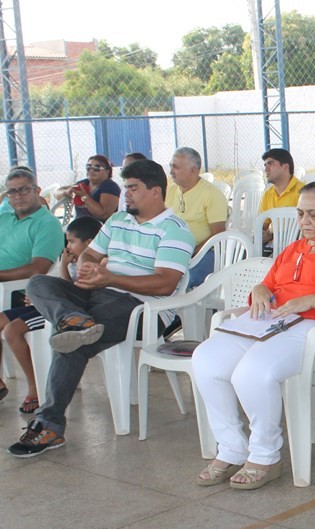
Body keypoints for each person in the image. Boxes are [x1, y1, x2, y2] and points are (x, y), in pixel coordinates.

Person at [192, 182, 315, 490]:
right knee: (206, 359)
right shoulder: (295, 249)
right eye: (300, 214)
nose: (304, 222)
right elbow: (269, 286)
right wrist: (260, 289)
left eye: (313, 215)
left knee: (253, 371)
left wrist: (314, 300)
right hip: (274, 323)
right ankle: (231, 448)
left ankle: (265, 455)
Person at [8, 160, 195, 457]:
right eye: (125, 188)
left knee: (72, 343)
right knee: (39, 284)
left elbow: (166, 284)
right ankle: (74, 319)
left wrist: (110, 277)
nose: (126, 195)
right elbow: (90, 255)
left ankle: (49, 425)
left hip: (141, 310)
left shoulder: (176, 231)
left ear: (156, 191)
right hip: (99, 294)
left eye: (133, 188)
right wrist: (87, 271)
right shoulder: (118, 219)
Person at [0, 216, 101, 415]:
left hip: (61, 312)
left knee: (12, 331)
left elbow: (73, 294)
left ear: (89, 243)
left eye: (71, 241)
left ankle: (35, 388)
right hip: (44, 304)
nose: (68, 247)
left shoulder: (91, 265)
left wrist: (63, 266)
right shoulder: (74, 260)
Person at [165, 147, 228, 287]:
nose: (170, 171)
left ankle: (168, 308)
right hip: (172, 252)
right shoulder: (169, 192)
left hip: (204, 254)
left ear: (193, 170)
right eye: (170, 166)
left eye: (175, 167)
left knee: (178, 281)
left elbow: (217, 235)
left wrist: (190, 252)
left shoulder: (212, 194)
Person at [0, 168, 64, 285]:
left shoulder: (48, 224)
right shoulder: (4, 218)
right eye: (12, 192)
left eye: (24, 190)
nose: (18, 196)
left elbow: (37, 270)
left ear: (37, 191)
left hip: (12, 291)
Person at [258, 148, 305, 250]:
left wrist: (272, 236)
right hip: (274, 246)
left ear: (285, 166)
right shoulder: (268, 194)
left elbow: (307, 228)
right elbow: (262, 226)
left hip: (298, 247)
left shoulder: (304, 192)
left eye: (270, 164)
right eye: (265, 165)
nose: (266, 169)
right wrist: (263, 234)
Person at [56, 155, 120, 222]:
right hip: (79, 225)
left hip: (99, 228)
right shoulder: (84, 183)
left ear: (107, 171)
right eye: (88, 167)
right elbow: (57, 193)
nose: (91, 171)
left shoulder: (110, 186)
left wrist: (84, 196)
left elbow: (103, 215)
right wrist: (66, 192)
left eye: (96, 168)